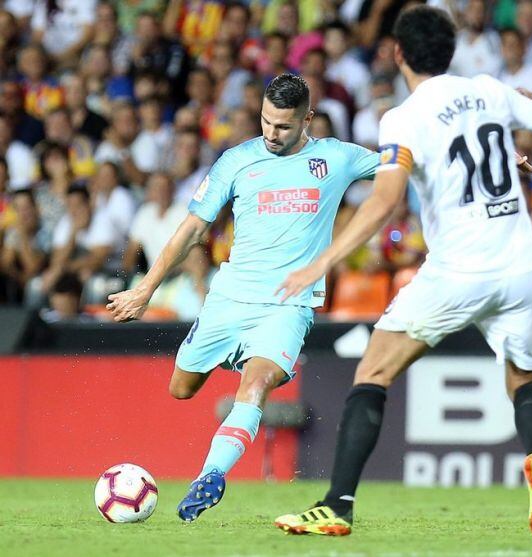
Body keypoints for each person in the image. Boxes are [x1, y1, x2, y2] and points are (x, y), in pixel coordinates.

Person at [274, 6, 532, 540]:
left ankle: (337, 506)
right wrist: (523, 117)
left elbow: (385, 201)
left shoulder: (401, 118)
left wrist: (323, 260)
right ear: (452, 51)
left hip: (459, 269)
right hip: (522, 267)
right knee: (526, 383)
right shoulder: (491, 90)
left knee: (372, 373)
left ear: (398, 54)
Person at [106, 74, 380, 522]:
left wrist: (500, 157)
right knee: (182, 388)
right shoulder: (237, 160)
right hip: (230, 298)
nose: (272, 133)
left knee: (255, 386)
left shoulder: (336, 158)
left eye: (284, 126)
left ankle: (211, 476)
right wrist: (145, 288)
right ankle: (237, 356)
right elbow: (193, 228)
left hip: (287, 306)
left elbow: (410, 161)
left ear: (307, 119)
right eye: (267, 122)